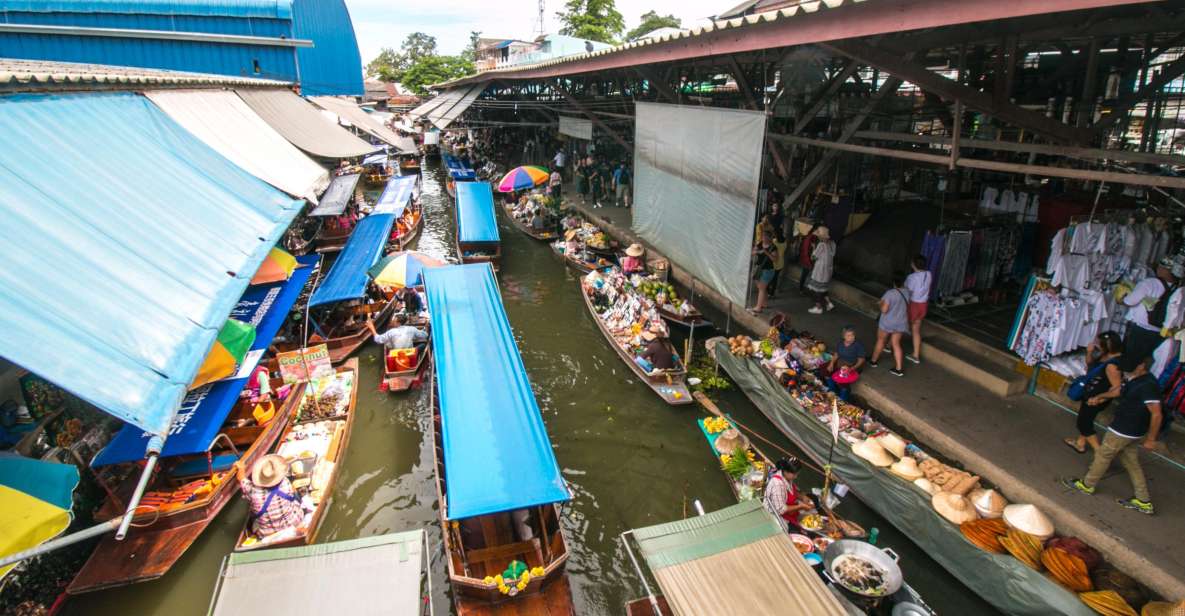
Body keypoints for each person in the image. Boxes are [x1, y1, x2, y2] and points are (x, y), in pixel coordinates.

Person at [1064, 357, 1163, 515]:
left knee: (1104, 455)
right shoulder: (1136, 379)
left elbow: (1156, 414)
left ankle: (1087, 484)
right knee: (1131, 462)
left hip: (1124, 430)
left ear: (1142, 366)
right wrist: (1100, 397)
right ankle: (1143, 500)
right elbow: (1118, 391)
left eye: (1130, 366)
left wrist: (1152, 439)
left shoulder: (1148, 386)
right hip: (1131, 430)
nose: (1126, 370)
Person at [1064, 332, 1124, 454]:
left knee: (1084, 423)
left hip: (1096, 398)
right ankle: (1080, 443)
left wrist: (1100, 398)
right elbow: (1091, 365)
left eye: (1100, 344)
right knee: (1087, 418)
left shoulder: (1113, 365)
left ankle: (1100, 454)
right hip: (1091, 392)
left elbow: (1117, 388)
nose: (1097, 345)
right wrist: (1089, 352)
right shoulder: (1105, 355)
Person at [1119, 257, 1178, 370]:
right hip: (1159, 333)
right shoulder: (1177, 289)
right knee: (1144, 365)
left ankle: (1123, 384)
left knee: (1130, 363)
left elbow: (1130, 301)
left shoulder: (1150, 283)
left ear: (1163, 269)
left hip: (1141, 330)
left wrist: (1121, 300)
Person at [238, 454, 302, 537]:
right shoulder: (285, 482)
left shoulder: (252, 490)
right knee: (295, 494)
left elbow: (241, 478)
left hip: (267, 533)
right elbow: (293, 493)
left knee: (251, 514)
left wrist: (241, 468)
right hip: (294, 522)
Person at [869, 273, 910, 377]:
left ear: (894, 282)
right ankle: (899, 369)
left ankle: (873, 361)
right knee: (896, 344)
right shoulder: (907, 292)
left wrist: (880, 304)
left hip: (888, 322)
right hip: (900, 322)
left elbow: (884, 310)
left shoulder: (890, 293)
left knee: (881, 341)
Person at [762, 457, 813, 532]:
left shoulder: (787, 477)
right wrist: (800, 506)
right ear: (785, 471)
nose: (796, 477)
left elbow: (791, 490)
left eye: (797, 474)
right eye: (794, 474)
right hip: (775, 516)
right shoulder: (778, 484)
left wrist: (802, 497)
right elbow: (780, 509)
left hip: (788, 512)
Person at [904, 255, 932, 364]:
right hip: (923, 305)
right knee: (916, 330)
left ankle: (888, 346)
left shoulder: (911, 277)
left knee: (901, 325)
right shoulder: (929, 274)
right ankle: (915, 355)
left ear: (913, 265)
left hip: (914, 305)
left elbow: (908, 291)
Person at [826, 326, 866, 400]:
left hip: (853, 365)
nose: (851, 337)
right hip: (841, 363)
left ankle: (842, 399)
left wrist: (852, 368)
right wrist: (831, 363)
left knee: (843, 383)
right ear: (844, 336)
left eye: (853, 335)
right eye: (848, 335)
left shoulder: (858, 345)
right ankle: (832, 392)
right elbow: (836, 354)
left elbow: (861, 360)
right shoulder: (840, 343)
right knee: (827, 372)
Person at [805, 226, 836, 314]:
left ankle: (818, 307)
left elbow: (813, 257)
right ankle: (829, 303)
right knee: (824, 288)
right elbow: (832, 255)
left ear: (821, 236)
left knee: (817, 290)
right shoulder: (832, 243)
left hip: (820, 271)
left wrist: (814, 247)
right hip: (828, 270)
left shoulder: (821, 245)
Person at [750, 234, 778, 315]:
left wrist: (766, 252)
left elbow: (775, 259)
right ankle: (764, 303)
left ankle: (758, 308)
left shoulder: (773, 248)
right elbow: (752, 253)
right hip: (758, 269)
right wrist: (757, 251)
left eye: (766, 237)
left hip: (768, 270)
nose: (764, 238)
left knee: (762, 288)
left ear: (771, 238)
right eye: (763, 237)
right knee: (761, 287)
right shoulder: (760, 244)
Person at [769, 226, 787, 299]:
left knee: (770, 278)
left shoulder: (774, 241)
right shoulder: (785, 241)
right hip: (781, 262)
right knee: (775, 278)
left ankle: (768, 291)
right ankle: (772, 293)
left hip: (774, 262)